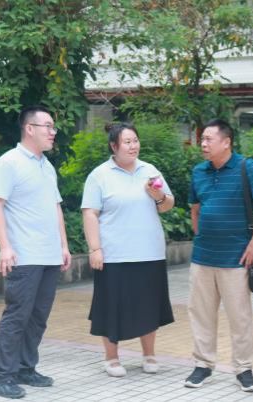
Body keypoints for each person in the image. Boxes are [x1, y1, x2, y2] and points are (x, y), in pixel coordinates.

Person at [0, 105, 72, 399]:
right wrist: (5, 247)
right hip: (23, 255)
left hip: (48, 254)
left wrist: (63, 245)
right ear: (29, 129)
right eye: (48, 126)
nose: (53, 132)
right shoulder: (8, 163)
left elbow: (55, 208)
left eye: (53, 126)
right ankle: (0, 376)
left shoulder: (46, 166)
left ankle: (25, 368)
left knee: (38, 317)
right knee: (17, 316)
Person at [185, 119, 253, 393]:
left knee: (240, 317)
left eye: (209, 139)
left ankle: (244, 369)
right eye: (202, 139)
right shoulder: (199, 171)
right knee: (201, 314)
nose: (203, 144)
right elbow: (195, 208)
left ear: (226, 142)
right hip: (202, 257)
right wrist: (200, 235)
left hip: (237, 258)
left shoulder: (246, 167)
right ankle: (203, 365)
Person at [81, 123, 175, 378]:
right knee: (112, 306)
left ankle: (149, 355)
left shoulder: (150, 170)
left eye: (135, 140)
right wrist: (95, 248)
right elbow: (90, 213)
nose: (134, 146)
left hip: (150, 251)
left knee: (149, 304)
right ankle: (111, 358)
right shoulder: (100, 175)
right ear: (114, 146)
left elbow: (167, 204)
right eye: (127, 142)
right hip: (115, 254)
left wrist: (157, 196)